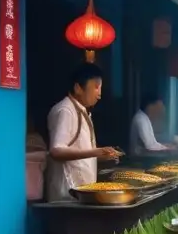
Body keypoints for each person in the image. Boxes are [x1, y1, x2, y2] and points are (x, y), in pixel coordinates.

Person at [45, 63, 121, 202]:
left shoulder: (80, 110)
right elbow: (56, 151)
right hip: (67, 195)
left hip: (80, 194)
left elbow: (80, 151)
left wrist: (101, 156)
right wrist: (95, 152)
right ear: (78, 88)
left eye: (101, 88)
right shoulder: (66, 110)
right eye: (96, 87)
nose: (99, 94)